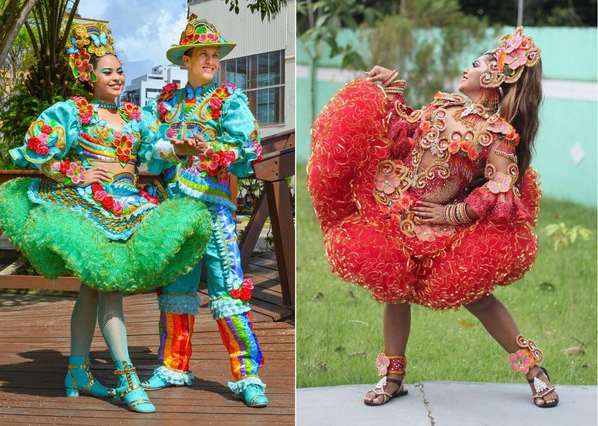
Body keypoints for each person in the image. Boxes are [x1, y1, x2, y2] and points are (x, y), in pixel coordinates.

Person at [307, 27, 558, 408]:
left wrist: (451, 213)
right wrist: (392, 86)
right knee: (395, 291)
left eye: (476, 65)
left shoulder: (497, 134)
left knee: (481, 301)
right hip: (399, 209)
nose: (467, 70)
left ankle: (534, 370)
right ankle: (392, 377)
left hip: (446, 230)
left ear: (493, 78)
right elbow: (405, 134)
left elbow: (499, 190)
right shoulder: (443, 106)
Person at [0, 23, 212, 413]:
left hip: (130, 205)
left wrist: (180, 146)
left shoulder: (134, 114)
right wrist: (79, 172)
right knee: (109, 283)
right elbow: (36, 149)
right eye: (107, 71)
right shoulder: (73, 111)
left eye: (118, 71)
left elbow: (159, 146)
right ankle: (127, 377)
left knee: (93, 288)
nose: (116, 77)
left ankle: (78, 371)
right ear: (89, 76)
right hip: (88, 206)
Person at [140, 15, 268, 408]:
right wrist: (175, 148)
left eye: (215, 55)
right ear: (187, 59)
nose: (211, 61)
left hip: (214, 209)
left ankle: (248, 375)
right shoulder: (166, 103)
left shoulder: (229, 99)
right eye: (204, 55)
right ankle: (173, 365)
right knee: (177, 289)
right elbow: (147, 148)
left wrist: (212, 151)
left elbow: (249, 147)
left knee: (228, 287)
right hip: (176, 209)